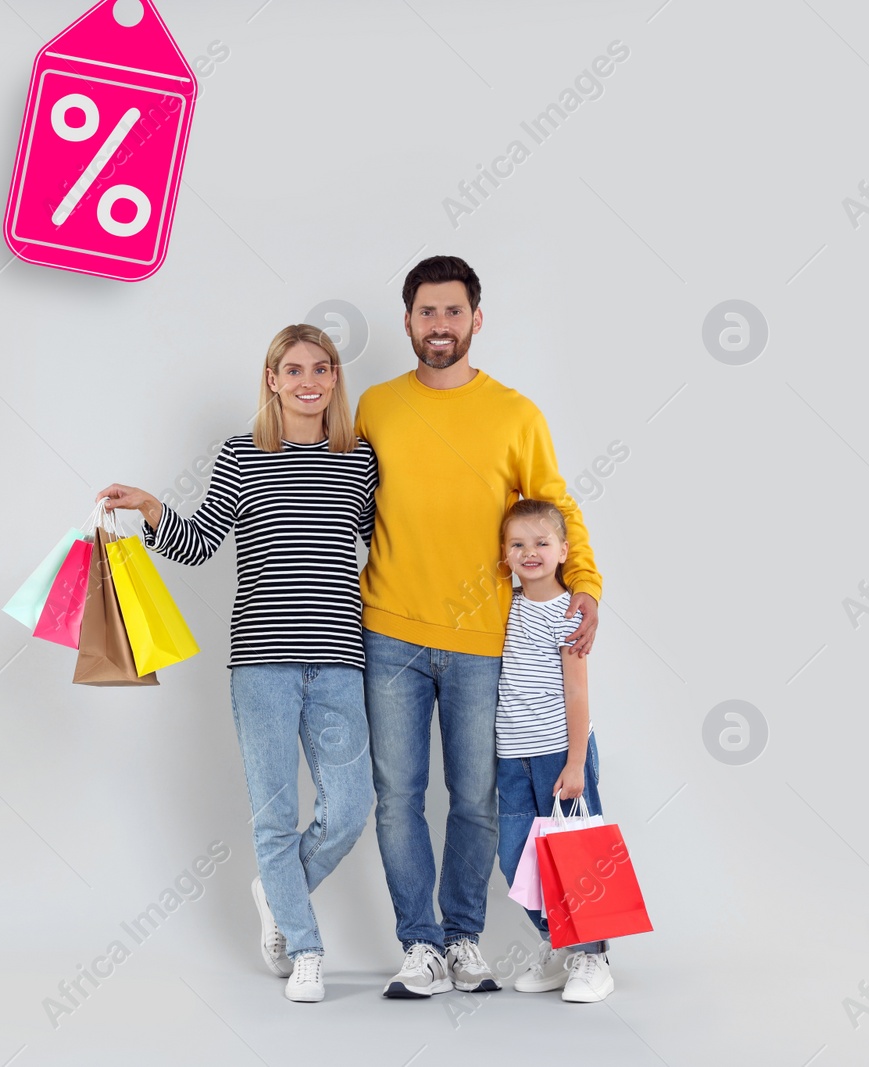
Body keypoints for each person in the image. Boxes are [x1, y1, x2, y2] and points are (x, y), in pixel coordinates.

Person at [99, 324, 377, 1004]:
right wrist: (152, 507)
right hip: (262, 663)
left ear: (335, 379)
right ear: (273, 379)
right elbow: (197, 544)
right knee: (275, 815)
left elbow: (389, 550)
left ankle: (277, 894)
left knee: (349, 807)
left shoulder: (360, 460)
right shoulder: (241, 455)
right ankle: (305, 947)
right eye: (294, 368)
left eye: (322, 366)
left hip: (341, 657)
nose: (309, 379)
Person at [358, 255, 603, 998]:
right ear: (407, 320)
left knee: (474, 798)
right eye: (426, 312)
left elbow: (556, 507)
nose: (439, 326)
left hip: (480, 641)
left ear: (476, 319)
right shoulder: (374, 405)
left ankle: (463, 937)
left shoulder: (515, 413)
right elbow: (334, 490)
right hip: (390, 633)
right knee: (397, 795)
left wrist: (585, 583)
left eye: (453, 312)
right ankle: (419, 944)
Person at [495, 498, 614, 1003]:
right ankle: (559, 943)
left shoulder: (569, 614)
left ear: (564, 550)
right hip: (511, 756)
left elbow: (578, 692)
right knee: (515, 857)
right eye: (518, 544)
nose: (530, 552)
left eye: (542, 543)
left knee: (577, 859)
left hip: (558, 754)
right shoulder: (505, 607)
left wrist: (574, 763)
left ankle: (593, 955)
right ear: (504, 553)